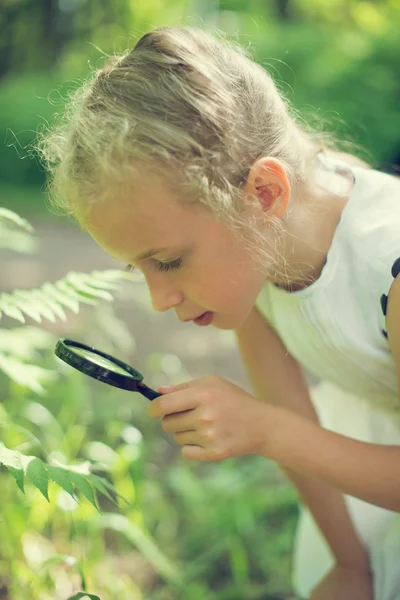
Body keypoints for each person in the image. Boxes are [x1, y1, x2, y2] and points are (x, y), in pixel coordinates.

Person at [36, 26, 400, 599]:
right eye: (140, 269)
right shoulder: (254, 252)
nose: (160, 300)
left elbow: (283, 426)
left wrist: (267, 431)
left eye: (171, 261)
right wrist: (351, 563)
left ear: (263, 194)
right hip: (366, 460)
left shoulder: (390, 262)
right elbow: (288, 406)